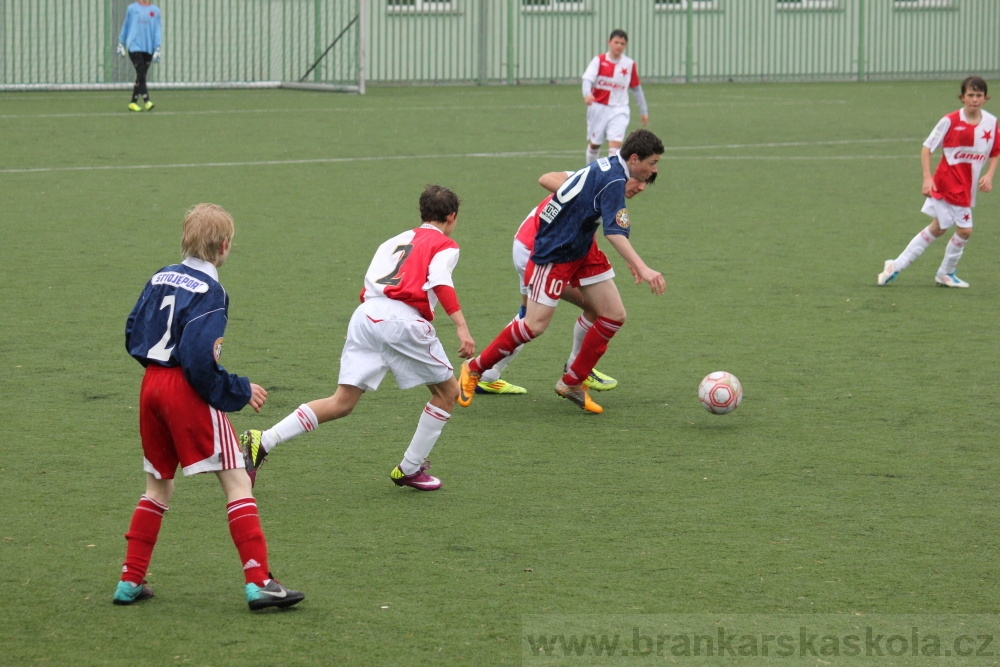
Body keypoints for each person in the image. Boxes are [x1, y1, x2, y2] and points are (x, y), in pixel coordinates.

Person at [115, 204, 304, 611]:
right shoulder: (212, 292)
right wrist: (237, 390)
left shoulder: (158, 276)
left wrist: (158, 375)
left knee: (157, 486)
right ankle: (259, 582)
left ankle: (130, 580)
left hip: (150, 386)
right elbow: (200, 359)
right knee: (238, 480)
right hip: (185, 390)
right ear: (224, 246)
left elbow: (132, 330)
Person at [240, 185, 474, 491]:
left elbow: (370, 283)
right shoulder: (445, 245)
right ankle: (409, 468)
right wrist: (461, 326)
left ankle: (263, 440)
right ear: (452, 217)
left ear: (422, 212)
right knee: (447, 393)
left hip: (366, 315)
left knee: (342, 402)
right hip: (401, 320)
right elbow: (440, 281)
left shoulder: (392, 241)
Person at [459, 129, 666, 415]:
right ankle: (475, 368)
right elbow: (614, 233)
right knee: (534, 325)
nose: (654, 170)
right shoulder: (615, 179)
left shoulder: (607, 166)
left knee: (613, 314)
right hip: (555, 251)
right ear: (634, 158)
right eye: (652, 163)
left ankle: (572, 381)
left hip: (581, 248)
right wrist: (643, 267)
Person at [477, 170, 656, 396]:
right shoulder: (598, 177)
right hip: (541, 249)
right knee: (579, 312)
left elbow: (587, 227)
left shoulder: (606, 182)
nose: (642, 187)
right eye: (640, 179)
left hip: (534, 243)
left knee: (529, 316)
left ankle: (488, 374)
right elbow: (546, 178)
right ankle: (574, 370)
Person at [877, 76, 999, 288]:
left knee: (939, 227)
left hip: (966, 187)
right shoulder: (950, 121)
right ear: (962, 97)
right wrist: (927, 178)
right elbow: (927, 148)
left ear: (986, 98)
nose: (975, 100)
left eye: (979, 95)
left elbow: (995, 151)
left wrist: (989, 175)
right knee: (965, 230)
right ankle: (945, 273)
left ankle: (895, 265)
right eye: (970, 95)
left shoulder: (991, 122)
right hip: (949, 184)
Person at [582, 29, 649, 165]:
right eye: (616, 42)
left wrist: (644, 110)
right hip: (598, 108)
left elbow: (636, 88)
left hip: (619, 109)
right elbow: (587, 79)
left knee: (615, 145)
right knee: (595, 144)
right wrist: (587, 94)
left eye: (622, 43)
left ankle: (610, 177)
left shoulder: (629, 64)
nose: (619, 46)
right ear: (609, 43)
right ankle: (588, 170)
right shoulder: (599, 60)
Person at [117, 0, 162, 112]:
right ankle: (147, 101)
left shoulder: (155, 11)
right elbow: (126, 25)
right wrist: (121, 42)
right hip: (134, 46)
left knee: (141, 75)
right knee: (141, 72)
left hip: (148, 47)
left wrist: (157, 47)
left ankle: (133, 102)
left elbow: (157, 30)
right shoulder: (132, 9)